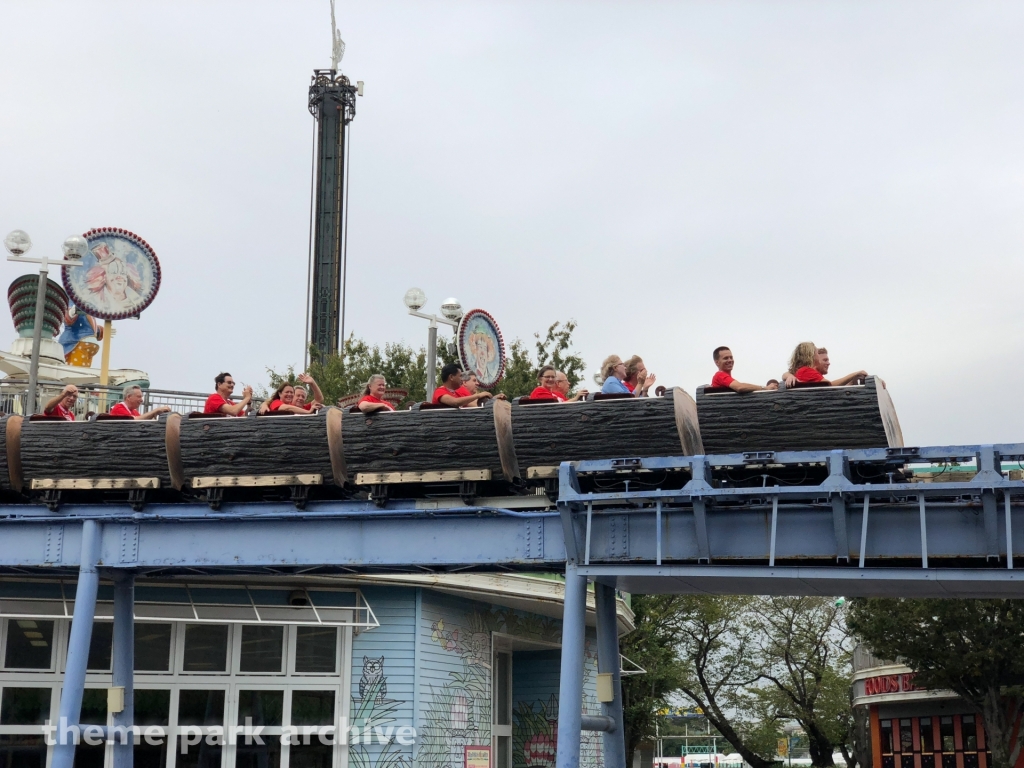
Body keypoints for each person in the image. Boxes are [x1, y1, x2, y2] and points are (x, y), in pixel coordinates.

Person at [783, 342, 867, 387]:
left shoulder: (803, 371)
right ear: (810, 355)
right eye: (816, 353)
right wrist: (855, 374)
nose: (817, 355)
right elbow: (829, 385)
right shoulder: (806, 371)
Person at [432, 363, 503, 407]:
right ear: (451, 377)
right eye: (460, 376)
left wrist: (493, 399)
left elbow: (475, 405)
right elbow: (455, 402)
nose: (462, 379)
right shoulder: (439, 391)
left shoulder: (456, 393)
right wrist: (478, 395)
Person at [710, 347, 779, 392]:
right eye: (726, 358)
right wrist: (765, 388)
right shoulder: (720, 375)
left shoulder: (725, 377)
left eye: (731, 357)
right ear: (717, 362)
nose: (730, 360)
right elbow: (740, 387)